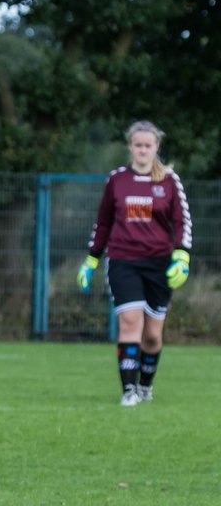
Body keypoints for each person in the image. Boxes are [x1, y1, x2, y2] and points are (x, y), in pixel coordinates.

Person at [78, 120, 192, 406]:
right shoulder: (117, 179)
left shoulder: (168, 180)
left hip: (159, 264)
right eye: (138, 145)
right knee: (130, 323)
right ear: (130, 147)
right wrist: (91, 259)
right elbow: (103, 222)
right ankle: (128, 391)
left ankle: (145, 385)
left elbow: (182, 222)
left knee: (152, 336)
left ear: (156, 148)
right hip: (122, 260)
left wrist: (182, 255)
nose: (142, 150)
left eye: (148, 145)